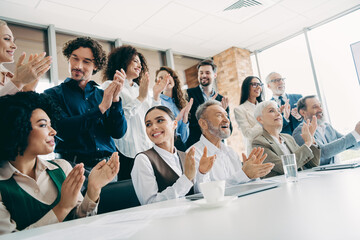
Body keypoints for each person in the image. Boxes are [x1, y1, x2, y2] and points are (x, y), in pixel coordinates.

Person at [0, 91, 119, 234]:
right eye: (43, 125)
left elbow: (82, 222)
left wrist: (93, 190)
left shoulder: (62, 167)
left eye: (51, 124)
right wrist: (62, 208)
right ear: (17, 128)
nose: (53, 132)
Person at [44, 37, 126, 178]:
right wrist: (100, 109)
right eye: (74, 58)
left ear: (96, 66)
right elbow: (62, 129)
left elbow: (118, 132)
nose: (78, 66)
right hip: (73, 167)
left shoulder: (103, 95)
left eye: (86, 61)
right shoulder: (52, 95)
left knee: (113, 200)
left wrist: (115, 100)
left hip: (108, 166)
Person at [102, 45, 167, 180]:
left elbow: (151, 114)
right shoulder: (110, 85)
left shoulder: (139, 88)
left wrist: (155, 95)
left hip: (146, 149)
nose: (139, 66)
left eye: (140, 63)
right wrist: (140, 98)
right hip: (125, 151)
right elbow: (117, 118)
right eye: (135, 61)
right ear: (123, 61)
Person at [131, 106, 214, 205]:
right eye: (148, 124)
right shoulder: (143, 160)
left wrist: (202, 173)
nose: (153, 127)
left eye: (160, 120)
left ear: (174, 124)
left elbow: (198, 195)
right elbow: (150, 203)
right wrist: (186, 179)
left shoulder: (186, 156)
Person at [189, 100, 274, 189]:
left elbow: (242, 186)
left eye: (226, 115)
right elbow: (204, 191)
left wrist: (252, 175)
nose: (226, 120)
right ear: (203, 124)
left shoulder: (231, 152)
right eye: (219, 115)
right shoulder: (194, 154)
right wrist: (244, 174)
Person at [252, 101, 320, 178]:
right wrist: (307, 143)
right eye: (271, 111)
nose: (278, 114)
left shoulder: (288, 138)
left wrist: (312, 140)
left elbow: (313, 164)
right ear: (260, 119)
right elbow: (283, 167)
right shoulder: (259, 143)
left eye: (278, 110)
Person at [293, 95, 360, 165]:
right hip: (317, 174)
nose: (321, 110)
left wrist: (358, 135)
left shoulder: (327, 127)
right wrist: (355, 134)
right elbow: (323, 152)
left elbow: (351, 144)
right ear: (303, 112)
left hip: (335, 172)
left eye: (320, 106)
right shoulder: (301, 131)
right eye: (315, 107)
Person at [186, 59, 232, 147]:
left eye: (207, 73)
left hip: (217, 146)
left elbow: (229, 129)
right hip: (196, 145)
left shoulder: (221, 99)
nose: (203, 75)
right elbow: (188, 124)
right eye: (201, 72)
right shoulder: (188, 94)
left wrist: (221, 114)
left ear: (214, 75)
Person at [0, 20, 52, 96]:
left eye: (13, 40)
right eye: (7, 39)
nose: (14, 46)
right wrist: (17, 82)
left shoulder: (10, 76)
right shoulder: (15, 80)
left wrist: (28, 91)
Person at [155, 66, 193, 151]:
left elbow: (184, 138)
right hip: (166, 148)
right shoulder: (157, 102)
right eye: (161, 78)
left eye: (168, 76)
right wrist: (177, 118)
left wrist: (185, 117)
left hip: (180, 147)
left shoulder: (179, 103)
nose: (166, 79)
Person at [234, 76, 264, 154]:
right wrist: (264, 121)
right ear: (246, 87)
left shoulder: (265, 106)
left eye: (259, 84)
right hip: (256, 150)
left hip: (272, 146)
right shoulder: (240, 110)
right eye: (254, 84)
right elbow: (248, 134)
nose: (258, 87)